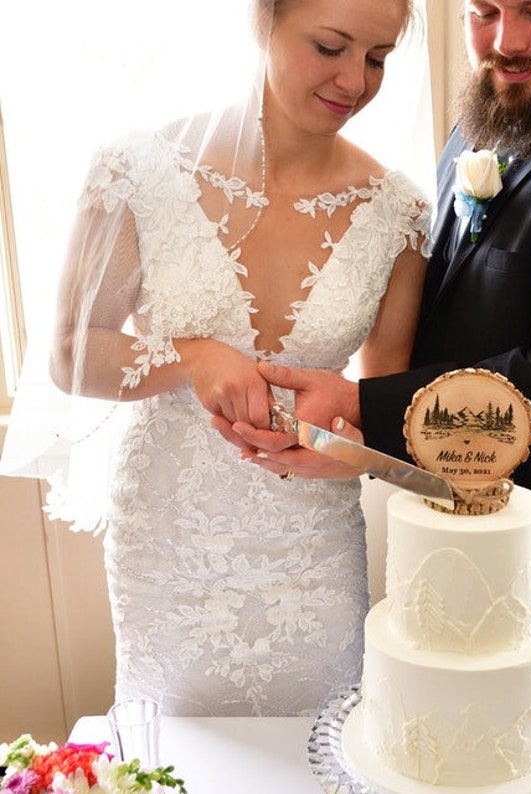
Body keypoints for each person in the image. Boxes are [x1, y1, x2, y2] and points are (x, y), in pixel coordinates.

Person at [220, 0, 531, 712]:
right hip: (467, 532)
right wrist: (358, 440)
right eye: (483, 11)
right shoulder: (494, 111)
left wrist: (362, 408)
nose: (505, 40)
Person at [31, 0, 430, 717]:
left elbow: (385, 401)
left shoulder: (398, 214)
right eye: (331, 46)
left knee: (321, 748)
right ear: (263, 19)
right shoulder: (137, 170)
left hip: (314, 550)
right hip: (171, 543)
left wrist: (343, 450)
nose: (355, 80)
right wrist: (189, 356)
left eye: (378, 57)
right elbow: (66, 353)